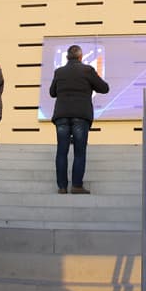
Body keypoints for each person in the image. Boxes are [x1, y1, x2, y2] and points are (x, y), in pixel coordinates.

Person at [49, 44, 110, 194]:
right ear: (81, 57)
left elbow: (52, 92)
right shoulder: (87, 70)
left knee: (61, 151)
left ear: (67, 57)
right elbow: (104, 88)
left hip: (62, 115)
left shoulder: (59, 72)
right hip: (81, 116)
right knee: (79, 152)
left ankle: (62, 187)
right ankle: (76, 186)